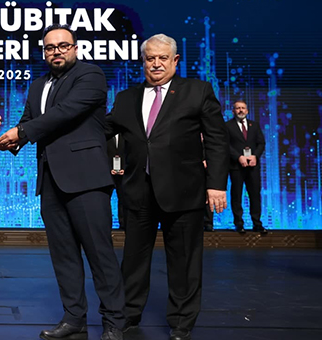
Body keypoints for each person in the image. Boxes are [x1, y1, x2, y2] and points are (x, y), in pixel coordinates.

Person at [0, 24, 125, 340]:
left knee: (100, 254)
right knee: (64, 255)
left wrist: (22, 133)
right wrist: (10, 139)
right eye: (50, 47)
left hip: (86, 179)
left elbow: (66, 112)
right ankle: (73, 318)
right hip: (51, 180)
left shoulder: (90, 75)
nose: (57, 51)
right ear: (44, 52)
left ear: (75, 48)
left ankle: (114, 322)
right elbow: (29, 121)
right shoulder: (37, 85)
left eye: (63, 45)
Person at [105, 33, 229, 340]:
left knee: (184, 262)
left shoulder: (197, 91)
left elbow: (217, 140)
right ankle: (127, 315)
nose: (156, 64)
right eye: (150, 58)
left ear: (175, 60)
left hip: (184, 192)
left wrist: (216, 185)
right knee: (133, 261)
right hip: (138, 192)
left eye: (163, 58)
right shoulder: (126, 98)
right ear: (143, 61)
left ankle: (182, 322)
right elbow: (100, 130)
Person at [226, 100, 267, 234]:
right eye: (238, 108)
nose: (241, 110)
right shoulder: (227, 126)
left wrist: (255, 156)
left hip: (253, 166)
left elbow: (261, 143)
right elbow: (226, 145)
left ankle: (257, 223)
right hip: (236, 166)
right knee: (236, 195)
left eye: (243, 108)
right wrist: (238, 157)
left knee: (255, 194)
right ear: (233, 111)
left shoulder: (254, 125)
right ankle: (239, 223)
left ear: (247, 111)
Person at [107, 135, 127, 229]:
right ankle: (107, 224)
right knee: (107, 199)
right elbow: (103, 154)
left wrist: (125, 168)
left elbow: (129, 153)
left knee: (122, 199)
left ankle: (123, 223)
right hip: (109, 174)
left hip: (123, 174)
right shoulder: (106, 136)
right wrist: (109, 169)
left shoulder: (125, 136)